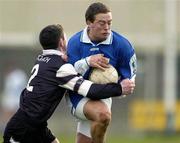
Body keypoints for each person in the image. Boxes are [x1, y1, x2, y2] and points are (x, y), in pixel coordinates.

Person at [3, 24, 135, 143]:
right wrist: (119, 88)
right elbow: (90, 90)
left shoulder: (41, 59)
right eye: (65, 38)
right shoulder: (61, 67)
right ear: (61, 42)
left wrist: (86, 61)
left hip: (35, 124)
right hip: (23, 130)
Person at [67, 2, 137, 143]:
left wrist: (126, 85)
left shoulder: (122, 45)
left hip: (104, 95)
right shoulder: (74, 43)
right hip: (78, 95)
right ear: (89, 23)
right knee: (103, 115)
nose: (107, 28)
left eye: (109, 23)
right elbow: (68, 76)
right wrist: (87, 61)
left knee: (98, 121)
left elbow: (128, 80)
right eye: (101, 23)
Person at [0, 66, 27, 131]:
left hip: (14, 99)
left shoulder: (13, 76)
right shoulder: (20, 75)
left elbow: (11, 90)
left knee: (8, 115)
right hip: (17, 99)